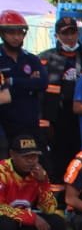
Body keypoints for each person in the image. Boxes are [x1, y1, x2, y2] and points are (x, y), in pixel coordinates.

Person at [0, 134, 72, 230]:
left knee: (56, 222)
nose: (31, 161)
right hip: (5, 226)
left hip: (20, 225)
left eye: (34, 156)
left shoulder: (37, 173)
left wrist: (43, 182)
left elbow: (49, 208)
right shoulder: (2, 171)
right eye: (26, 157)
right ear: (12, 154)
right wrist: (32, 217)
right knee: (4, 225)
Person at [39, 15, 82, 188]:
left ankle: (78, 195)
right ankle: (58, 198)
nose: (70, 37)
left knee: (81, 160)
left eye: (73, 32)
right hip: (57, 118)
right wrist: (44, 122)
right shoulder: (45, 59)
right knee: (57, 161)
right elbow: (40, 95)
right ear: (57, 35)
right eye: (65, 33)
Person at [0, 12, 48, 152]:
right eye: (11, 33)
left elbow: (43, 83)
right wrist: (29, 84)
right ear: (2, 34)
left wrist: (12, 81)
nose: (16, 37)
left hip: (30, 124)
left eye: (20, 32)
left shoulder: (31, 59)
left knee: (37, 160)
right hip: (5, 127)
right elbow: (3, 96)